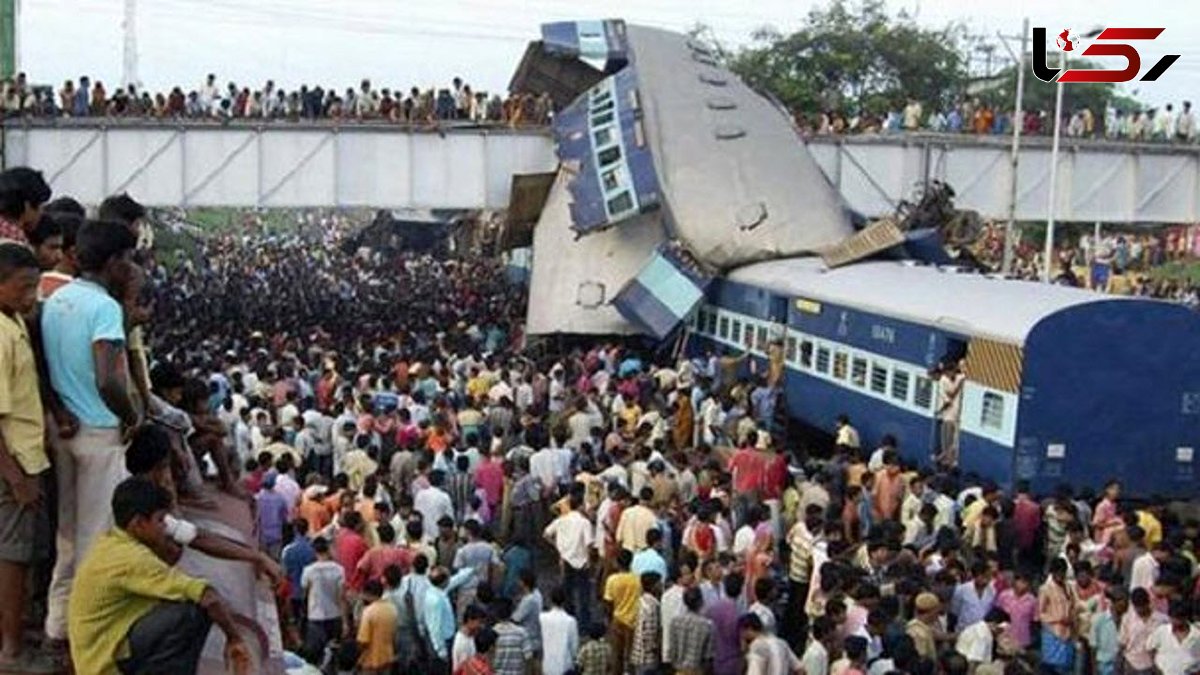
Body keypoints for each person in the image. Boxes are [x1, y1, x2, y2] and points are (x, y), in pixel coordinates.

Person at [43, 220, 141, 644]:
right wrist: (131, 414)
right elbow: (107, 378)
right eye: (129, 259)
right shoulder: (105, 309)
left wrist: (59, 408)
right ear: (115, 262)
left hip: (62, 429)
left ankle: (57, 626)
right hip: (99, 431)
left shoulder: (56, 299)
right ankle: (87, 636)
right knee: (95, 537)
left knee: (67, 534)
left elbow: (45, 365)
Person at [67, 477, 251, 675]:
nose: (165, 527)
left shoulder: (112, 539)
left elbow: (194, 538)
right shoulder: (133, 559)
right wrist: (235, 639)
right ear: (138, 523)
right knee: (191, 613)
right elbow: (207, 596)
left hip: (103, 645)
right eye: (160, 520)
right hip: (104, 662)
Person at [0, 243, 54, 673]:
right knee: (13, 556)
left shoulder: (14, 320)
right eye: (23, 287)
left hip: (26, 456)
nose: (32, 295)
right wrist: (15, 474)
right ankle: (12, 650)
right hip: (12, 462)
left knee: (20, 553)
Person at [301, 536, 350, 661]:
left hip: (315, 616)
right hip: (335, 616)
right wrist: (345, 622)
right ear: (328, 549)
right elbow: (342, 598)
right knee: (334, 654)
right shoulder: (339, 570)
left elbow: (305, 592)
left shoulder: (309, 571)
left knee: (316, 655)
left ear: (314, 551)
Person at [604, 548, 640, 673]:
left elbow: (608, 602)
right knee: (631, 655)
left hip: (617, 619)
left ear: (617, 563)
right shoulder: (637, 579)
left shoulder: (612, 580)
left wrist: (610, 619)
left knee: (617, 655)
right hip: (633, 620)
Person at [667, 586, 716, 675]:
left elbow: (672, 650)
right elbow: (708, 656)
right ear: (701, 602)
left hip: (679, 670)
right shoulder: (707, 625)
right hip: (697, 671)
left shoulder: (675, 622)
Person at [1144, 601, 1200, 675]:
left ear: (1185, 617)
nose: (1175, 621)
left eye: (1178, 618)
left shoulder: (1196, 635)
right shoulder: (1162, 631)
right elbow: (1149, 648)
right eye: (1172, 617)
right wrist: (1155, 668)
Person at [357, 579, 398, 675]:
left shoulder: (368, 612)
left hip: (370, 660)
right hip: (388, 656)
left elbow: (363, 641)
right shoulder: (392, 608)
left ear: (368, 594)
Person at [540, 587, 579, 675]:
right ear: (564, 601)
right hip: (565, 666)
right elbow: (574, 648)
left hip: (547, 665)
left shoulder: (542, 618)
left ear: (550, 600)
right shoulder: (571, 621)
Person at [631, 571, 663, 675]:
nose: (661, 586)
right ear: (653, 586)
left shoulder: (641, 601)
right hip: (647, 657)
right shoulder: (652, 605)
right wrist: (656, 649)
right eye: (659, 583)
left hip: (638, 652)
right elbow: (650, 632)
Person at [454, 604, 487, 671]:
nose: (482, 626)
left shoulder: (470, 636)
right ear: (470, 620)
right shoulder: (462, 642)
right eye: (480, 622)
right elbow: (465, 668)